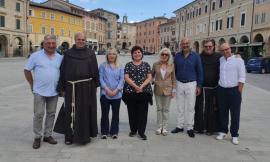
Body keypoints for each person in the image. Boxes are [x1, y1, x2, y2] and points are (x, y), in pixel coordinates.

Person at [54, 32, 99, 145]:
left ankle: (85, 136)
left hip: (87, 87)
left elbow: (95, 71)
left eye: (83, 39)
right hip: (71, 87)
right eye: (79, 39)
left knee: (85, 111)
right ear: (75, 40)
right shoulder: (68, 53)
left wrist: (95, 86)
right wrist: (62, 88)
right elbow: (63, 71)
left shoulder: (91, 53)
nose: (81, 41)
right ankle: (69, 136)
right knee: (70, 111)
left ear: (85, 41)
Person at [24, 35, 63, 149]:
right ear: (44, 44)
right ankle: (37, 136)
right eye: (48, 43)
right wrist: (31, 84)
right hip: (39, 91)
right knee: (38, 114)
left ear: (56, 44)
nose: (51, 45)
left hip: (54, 91)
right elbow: (27, 70)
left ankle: (47, 135)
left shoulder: (60, 57)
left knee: (51, 114)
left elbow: (63, 73)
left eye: (53, 43)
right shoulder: (35, 56)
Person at [172, 37, 203, 138]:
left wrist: (199, 86)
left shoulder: (196, 56)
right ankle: (180, 126)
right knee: (180, 106)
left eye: (187, 43)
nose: (185, 45)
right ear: (181, 45)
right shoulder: (177, 56)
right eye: (183, 44)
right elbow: (174, 71)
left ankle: (190, 127)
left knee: (190, 107)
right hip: (179, 83)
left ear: (190, 44)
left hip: (191, 84)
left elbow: (200, 71)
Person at [216, 43, 246, 145]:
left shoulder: (238, 60)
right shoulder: (221, 60)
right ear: (220, 51)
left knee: (235, 114)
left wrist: (239, 92)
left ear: (230, 49)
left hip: (234, 90)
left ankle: (234, 135)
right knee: (223, 112)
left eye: (227, 49)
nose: (225, 51)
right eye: (223, 50)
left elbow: (242, 77)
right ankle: (223, 131)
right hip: (222, 90)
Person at [122, 46, 153, 140]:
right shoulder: (128, 65)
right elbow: (126, 77)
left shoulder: (146, 64)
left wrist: (141, 86)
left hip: (144, 92)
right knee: (132, 112)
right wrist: (136, 86)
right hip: (131, 92)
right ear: (132, 54)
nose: (137, 54)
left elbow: (149, 77)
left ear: (142, 53)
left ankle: (141, 132)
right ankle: (133, 130)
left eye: (139, 52)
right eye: (135, 52)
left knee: (143, 113)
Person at [194, 39, 221, 135]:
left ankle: (211, 129)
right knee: (199, 109)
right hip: (201, 87)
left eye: (210, 46)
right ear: (203, 47)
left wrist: (237, 57)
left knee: (212, 109)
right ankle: (199, 128)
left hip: (214, 88)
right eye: (206, 46)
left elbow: (229, 59)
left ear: (213, 46)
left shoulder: (219, 56)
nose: (208, 48)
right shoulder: (198, 57)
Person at [99, 48, 124, 139]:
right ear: (107, 56)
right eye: (110, 54)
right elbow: (100, 78)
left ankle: (114, 132)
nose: (111, 56)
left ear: (116, 56)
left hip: (117, 94)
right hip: (105, 94)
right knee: (105, 113)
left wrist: (116, 90)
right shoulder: (103, 66)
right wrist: (107, 90)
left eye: (113, 54)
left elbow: (122, 80)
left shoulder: (120, 66)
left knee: (115, 114)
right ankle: (104, 132)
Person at [152, 48, 176, 136]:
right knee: (159, 109)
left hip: (168, 90)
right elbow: (151, 75)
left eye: (166, 55)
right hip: (158, 89)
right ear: (160, 55)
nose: (164, 56)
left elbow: (174, 79)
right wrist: (154, 81)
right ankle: (159, 127)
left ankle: (165, 128)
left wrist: (174, 90)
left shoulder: (172, 65)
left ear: (169, 56)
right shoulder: (155, 64)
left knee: (166, 109)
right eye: (163, 54)